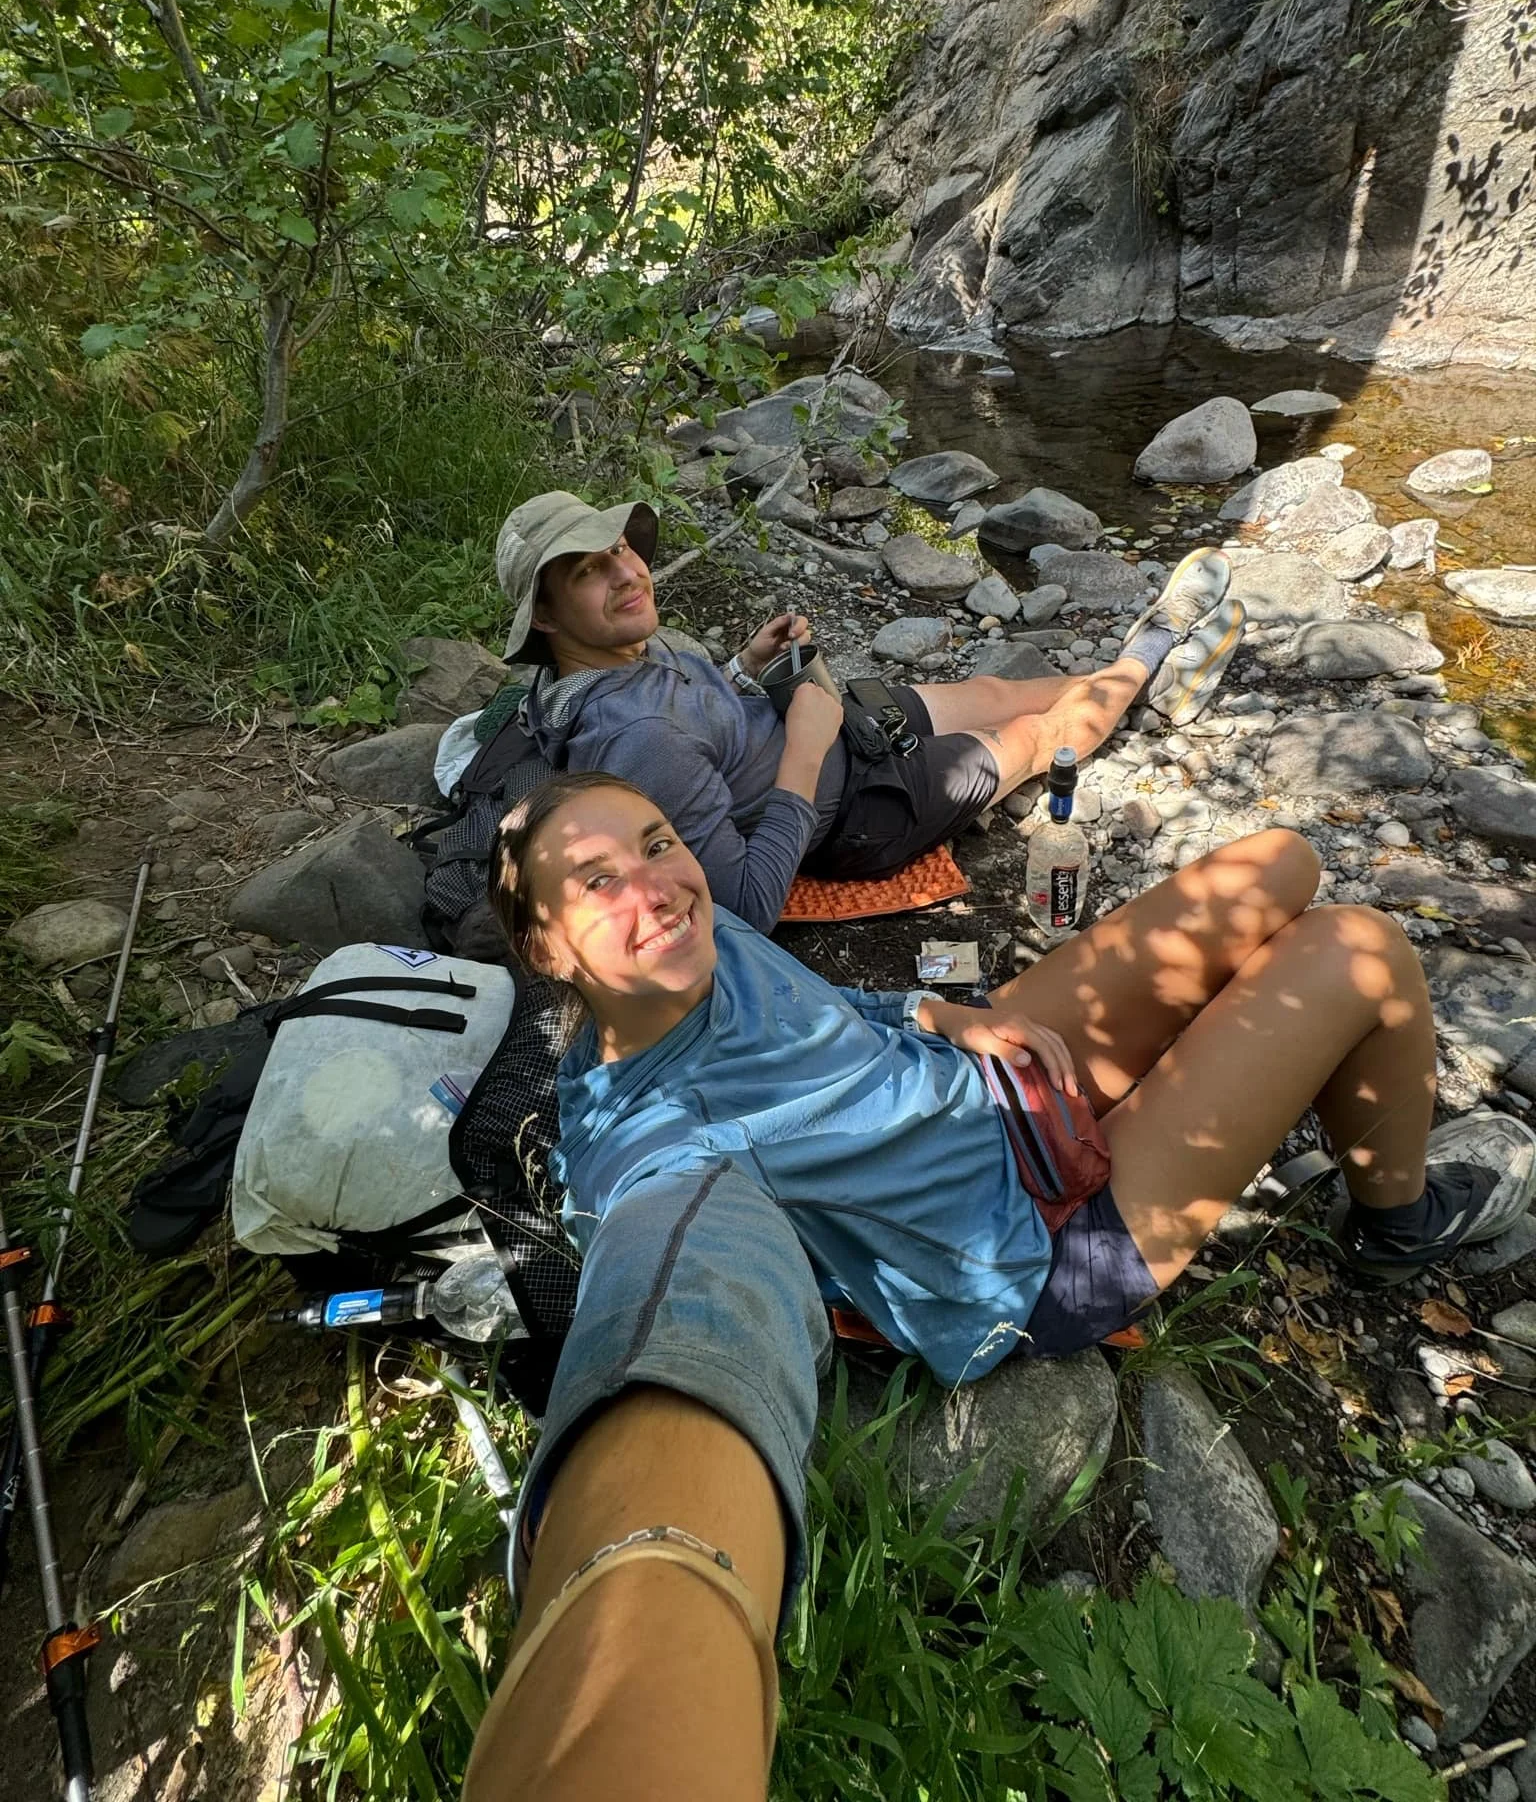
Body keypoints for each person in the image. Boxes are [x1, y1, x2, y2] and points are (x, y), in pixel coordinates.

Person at [461, 772, 1536, 1802]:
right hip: (1039, 1245)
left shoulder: (692, 944)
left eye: (658, 843)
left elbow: (824, 1004)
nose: (655, 884)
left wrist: (938, 1011)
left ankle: (1292, 1099)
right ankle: (1399, 1221)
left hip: (989, 1082)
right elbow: (682, 1300)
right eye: (597, 881)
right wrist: (645, 1556)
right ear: (549, 948)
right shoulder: (652, 1153)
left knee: (1281, 863)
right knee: (1359, 948)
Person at [494, 490, 1245, 931]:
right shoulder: (638, 740)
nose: (630, 573)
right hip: (857, 808)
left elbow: (703, 726)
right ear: (548, 622)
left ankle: (1133, 674)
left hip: (837, 735)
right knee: (1033, 734)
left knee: (994, 691)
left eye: (624, 550)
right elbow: (747, 907)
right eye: (593, 572)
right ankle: (1151, 653)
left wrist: (742, 669)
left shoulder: (617, 657)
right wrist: (802, 750)